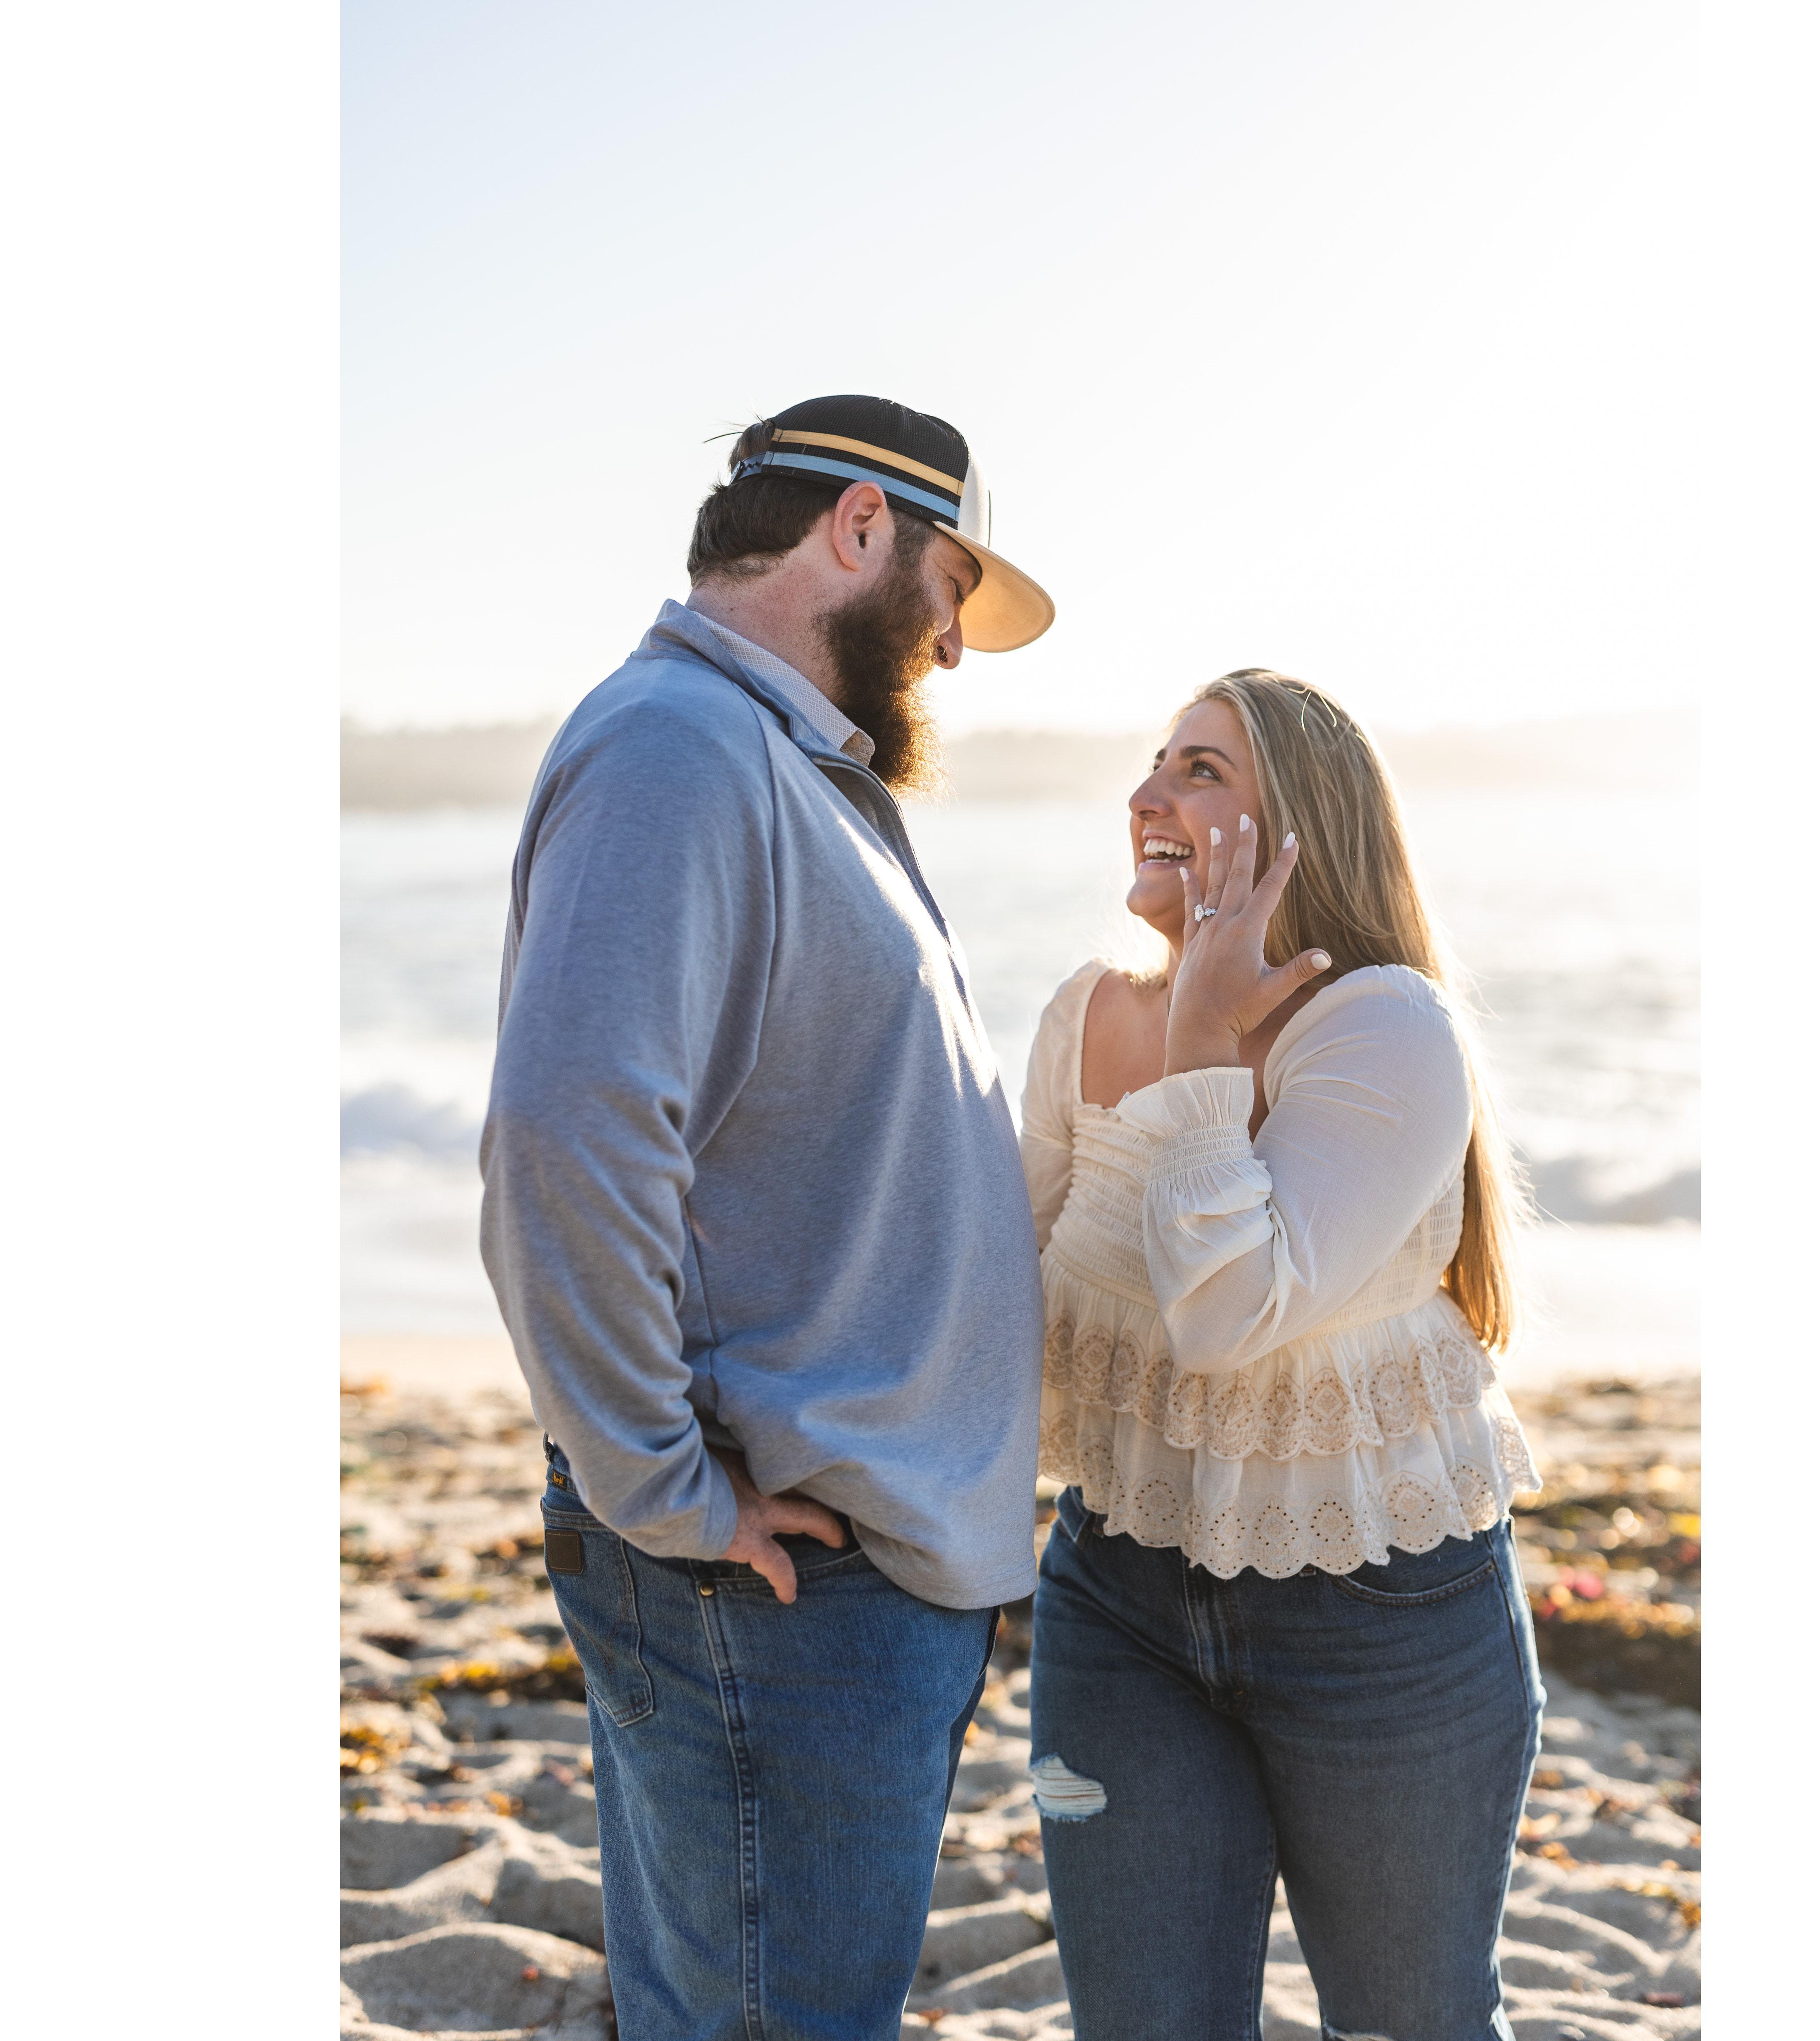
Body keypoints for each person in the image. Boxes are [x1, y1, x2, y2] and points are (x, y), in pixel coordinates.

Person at [480, 394, 1057, 2039]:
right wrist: (660, 1487)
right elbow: (561, 1132)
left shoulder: (779, 762)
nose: (951, 643)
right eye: (951, 584)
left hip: (846, 1576)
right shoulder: (682, 745)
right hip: (780, 1586)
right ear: (859, 529)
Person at [1020, 670, 1546, 2041]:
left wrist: (1202, 1031)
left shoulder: (1386, 1028)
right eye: (1153, 763)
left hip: (1384, 1620)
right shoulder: (1083, 1015)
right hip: (1116, 1600)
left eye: (1200, 770)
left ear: (1299, 830)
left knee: (1410, 2021)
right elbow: (989, 1295)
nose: (1148, 794)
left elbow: (1225, 1312)